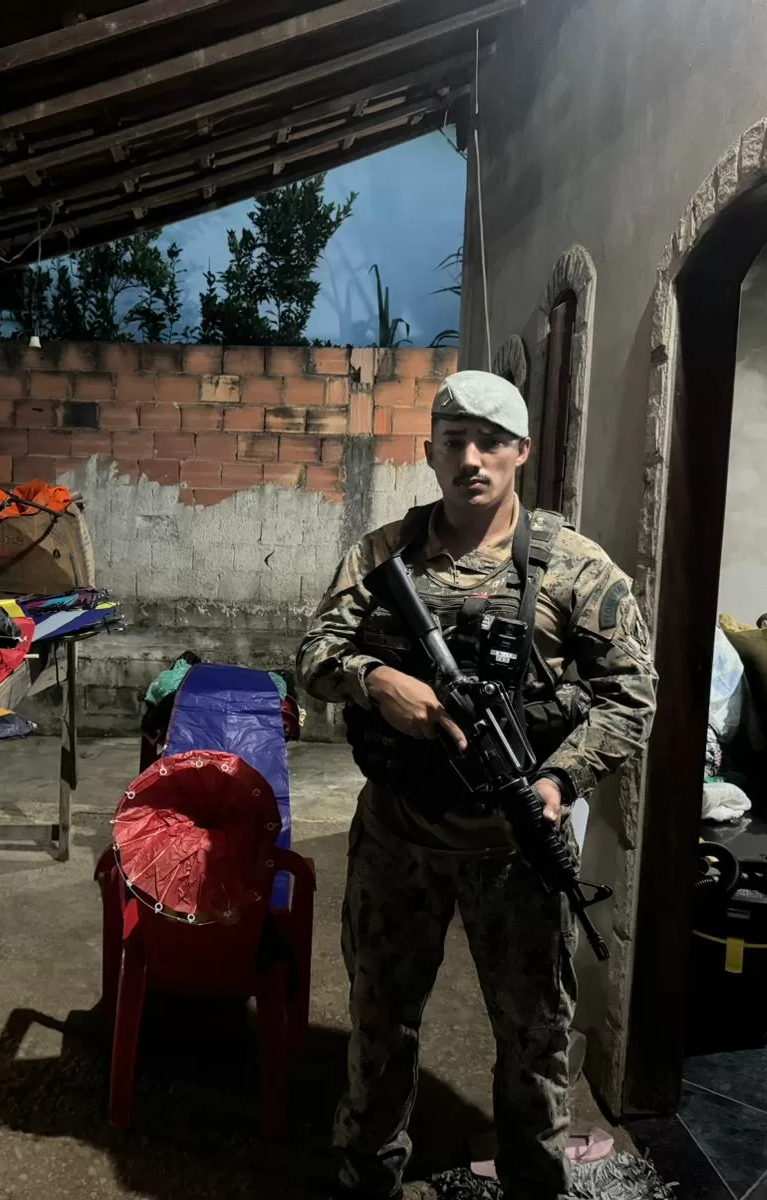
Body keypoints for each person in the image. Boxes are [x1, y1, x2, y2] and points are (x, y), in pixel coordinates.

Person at [296, 371, 658, 1200]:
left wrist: (560, 784)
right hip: (398, 839)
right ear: (429, 452)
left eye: (491, 441)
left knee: (535, 1044)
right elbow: (314, 650)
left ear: (521, 452)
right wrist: (374, 679)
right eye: (453, 440)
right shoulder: (382, 554)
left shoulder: (575, 567)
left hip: (514, 852)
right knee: (380, 1028)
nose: (471, 458)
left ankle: (536, 1184)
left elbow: (632, 698)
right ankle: (367, 1178)